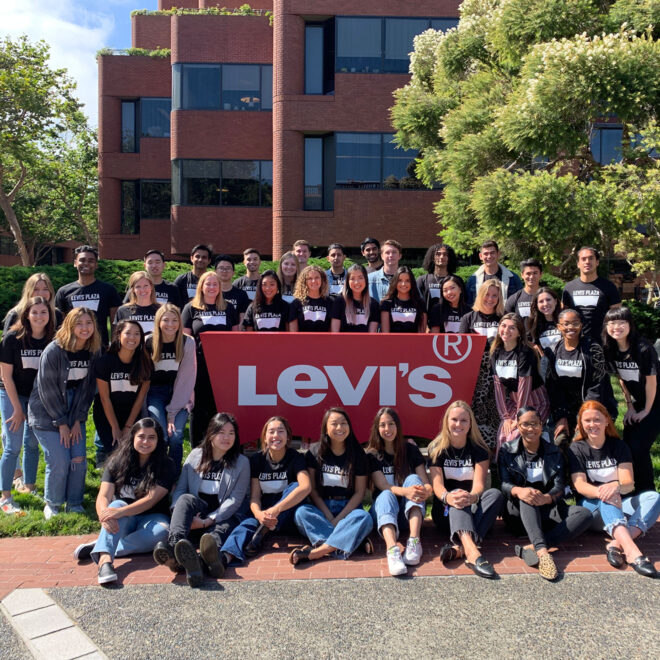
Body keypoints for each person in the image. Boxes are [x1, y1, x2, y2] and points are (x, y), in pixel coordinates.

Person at [73, 418, 176, 585]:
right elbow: (103, 496)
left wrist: (119, 513)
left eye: (152, 437)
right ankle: (105, 561)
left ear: (158, 440)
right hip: (123, 518)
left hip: (153, 518)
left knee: (163, 533)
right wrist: (104, 516)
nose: (146, 442)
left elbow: (150, 500)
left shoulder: (166, 465)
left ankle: (100, 547)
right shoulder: (117, 461)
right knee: (115, 504)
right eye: (141, 436)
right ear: (133, 437)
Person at [153, 413, 250, 587]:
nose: (227, 437)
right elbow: (181, 488)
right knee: (183, 499)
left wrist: (207, 521)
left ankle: (196, 561)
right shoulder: (195, 455)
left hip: (222, 514)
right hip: (197, 509)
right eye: (222, 432)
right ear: (211, 434)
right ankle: (174, 546)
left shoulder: (241, 462)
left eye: (231, 433)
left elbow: (234, 500)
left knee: (218, 533)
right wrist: (182, 515)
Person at [498, 407, 592, 580]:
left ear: (541, 426)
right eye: (525, 424)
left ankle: (534, 547)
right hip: (518, 514)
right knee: (528, 494)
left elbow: (560, 486)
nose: (530, 428)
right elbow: (503, 484)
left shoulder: (554, 452)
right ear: (518, 426)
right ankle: (543, 552)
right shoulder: (507, 450)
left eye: (534, 424)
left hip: (548, 509)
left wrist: (548, 498)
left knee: (585, 514)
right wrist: (519, 491)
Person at [569, 401, 660, 578]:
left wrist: (615, 487)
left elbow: (628, 483)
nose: (592, 424)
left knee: (653, 497)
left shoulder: (619, 446)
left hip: (619, 503)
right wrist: (604, 492)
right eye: (587, 420)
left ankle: (616, 544)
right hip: (591, 509)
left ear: (606, 421)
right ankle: (633, 553)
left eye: (597, 419)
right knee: (608, 497)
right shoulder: (576, 448)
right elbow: (580, 485)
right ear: (581, 423)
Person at [28, 308, 102, 519]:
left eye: (88, 323)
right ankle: (53, 503)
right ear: (69, 325)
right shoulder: (54, 350)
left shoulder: (94, 350)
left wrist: (78, 419)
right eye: (79, 323)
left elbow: (88, 389)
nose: (85, 328)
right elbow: (47, 389)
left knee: (78, 458)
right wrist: (62, 423)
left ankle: (75, 502)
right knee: (59, 459)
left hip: (75, 408)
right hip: (46, 410)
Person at [221, 416, 311, 564]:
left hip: (288, 514)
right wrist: (259, 514)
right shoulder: (257, 460)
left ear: (288, 436)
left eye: (280, 431)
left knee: (295, 487)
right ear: (264, 437)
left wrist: (276, 510)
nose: (276, 436)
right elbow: (255, 497)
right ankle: (225, 557)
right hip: (266, 512)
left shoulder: (296, 457)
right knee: (247, 524)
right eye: (271, 432)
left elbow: (306, 487)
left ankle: (263, 532)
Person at [428, 400, 503, 579]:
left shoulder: (480, 450)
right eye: (454, 419)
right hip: (445, 510)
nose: (458, 424)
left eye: (464, 421)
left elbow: (479, 485)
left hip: (472, 506)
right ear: (447, 422)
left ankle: (461, 548)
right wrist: (448, 497)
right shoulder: (437, 450)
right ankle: (473, 554)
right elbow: (437, 485)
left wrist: (472, 497)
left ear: (470, 424)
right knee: (456, 498)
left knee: (496, 494)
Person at [290, 408, 373, 565]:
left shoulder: (358, 454)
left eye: (343, 423)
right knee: (301, 513)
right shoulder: (314, 452)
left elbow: (360, 492)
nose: (340, 428)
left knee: (364, 517)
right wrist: (328, 516)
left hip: (348, 508)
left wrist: (340, 518)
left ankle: (317, 552)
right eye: (334, 424)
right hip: (322, 507)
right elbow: (312, 490)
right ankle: (351, 539)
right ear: (326, 428)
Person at [0, 297, 55, 512]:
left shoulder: (53, 338)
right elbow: (6, 377)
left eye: (44, 312)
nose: (39, 316)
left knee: (32, 443)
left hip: (37, 397)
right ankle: (5, 497)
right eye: (35, 312)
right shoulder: (12, 339)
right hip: (11, 393)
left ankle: (29, 488)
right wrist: (17, 409)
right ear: (26, 315)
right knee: (13, 446)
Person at [366, 408, 432, 576]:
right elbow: (383, 486)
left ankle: (414, 541)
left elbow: (426, 483)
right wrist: (407, 492)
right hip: (382, 515)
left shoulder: (410, 449)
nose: (387, 429)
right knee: (386, 494)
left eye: (391, 424)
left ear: (398, 426)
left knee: (413, 480)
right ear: (377, 429)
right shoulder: (372, 454)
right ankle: (392, 550)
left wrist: (425, 491)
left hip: (406, 516)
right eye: (382, 425)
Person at [602, 306, 659, 493]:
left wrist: (646, 411)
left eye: (621, 322)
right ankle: (632, 489)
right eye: (611, 322)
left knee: (639, 446)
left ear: (630, 325)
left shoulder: (643, 348)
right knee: (628, 445)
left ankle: (647, 490)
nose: (616, 327)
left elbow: (652, 382)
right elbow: (621, 377)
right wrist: (630, 407)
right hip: (638, 403)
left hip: (655, 401)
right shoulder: (611, 348)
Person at [546, 308, 617, 449]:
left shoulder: (593, 349)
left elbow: (596, 385)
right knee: (559, 441)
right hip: (566, 408)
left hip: (592, 404)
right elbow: (553, 386)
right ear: (558, 326)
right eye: (565, 324)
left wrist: (584, 417)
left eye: (575, 323)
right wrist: (561, 416)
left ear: (581, 325)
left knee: (582, 443)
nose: (570, 327)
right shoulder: (553, 350)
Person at [182, 271, 239, 447]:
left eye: (215, 284)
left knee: (219, 408)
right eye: (208, 284)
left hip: (223, 367)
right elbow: (185, 340)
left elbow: (236, 337)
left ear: (220, 287)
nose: (212, 287)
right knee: (198, 409)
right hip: (198, 365)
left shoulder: (228, 308)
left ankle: (219, 447)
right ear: (201, 286)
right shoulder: (190, 308)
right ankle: (197, 450)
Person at [93, 320, 153, 467]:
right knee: (115, 451)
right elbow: (104, 398)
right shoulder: (105, 362)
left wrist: (127, 427)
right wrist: (114, 427)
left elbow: (140, 399)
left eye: (137, 334)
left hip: (130, 414)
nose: (132, 338)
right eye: (128, 333)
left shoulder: (145, 363)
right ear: (119, 335)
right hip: (106, 414)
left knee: (130, 453)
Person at [146, 304, 196, 476]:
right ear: (158, 321)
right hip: (155, 393)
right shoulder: (148, 341)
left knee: (175, 438)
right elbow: (144, 378)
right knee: (161, 436)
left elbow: (185, 378)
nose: (170, 324)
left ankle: (173, 477)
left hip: (180, 393)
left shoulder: (187, 342)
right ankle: (156, 473)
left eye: (175, 320)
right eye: (166, 320)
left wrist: (172, 412)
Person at [489, 313, 549, 452]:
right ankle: (502, 472)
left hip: (535, 400)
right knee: (503, 435)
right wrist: (505, 417)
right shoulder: (496, 352)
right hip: (515, 401)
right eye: (503, 326)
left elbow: (524, 386)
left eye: (512, 328)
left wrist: (519, 417)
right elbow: (498, 387)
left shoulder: (524, 352)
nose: (506, 330)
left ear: (519, 333)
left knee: (516, 434)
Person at [459, 279, 504, 448]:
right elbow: (462, 348)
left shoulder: (503, 317)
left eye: (495, 296)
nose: (490, 299)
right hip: (473, 375)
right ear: (480, 295)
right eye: (487, 294)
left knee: (495, 413)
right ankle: (471, 447)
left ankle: (494, 450)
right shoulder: (468, 318)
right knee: (474, 411)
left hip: (496, 374)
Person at [55, 245, 121, 346]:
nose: (86, 263)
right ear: (75, 263)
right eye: (82, 260)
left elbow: (115, 323)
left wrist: (113, 346)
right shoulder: (64, 291)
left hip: (100, 348)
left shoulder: (108, 290)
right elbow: (61, 324)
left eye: (91, 261)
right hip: (72, 348)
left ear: (96, 264)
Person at [561, 246, 621, 343]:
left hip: (603, 342)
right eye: (583, 259)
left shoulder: (609, 286)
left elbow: (618, 316)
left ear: (597, 262)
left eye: (591, 258)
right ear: (578, 264)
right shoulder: (569, 288)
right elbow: (563, 316)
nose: (587, 262)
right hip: (576, 342)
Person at [465, 240, 522, 307]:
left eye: (492, 253)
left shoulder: (513, 278)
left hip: (504, 316)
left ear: (498, 254)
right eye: (486, 254)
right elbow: (468, 305)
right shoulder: (473, 280)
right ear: (481, 256)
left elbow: (519, 304)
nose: (489, 256)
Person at [330, 264, 379, 333]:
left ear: (366, 280)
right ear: (347, 282)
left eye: (360, 278)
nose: (356, 282)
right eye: (352, 278)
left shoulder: (373, 304)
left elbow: (372, 333)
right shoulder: (339, 301)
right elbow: (334, 333)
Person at [379, 266, 427, 333]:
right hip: (391, 342)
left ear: (412, 282)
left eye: (407, 281)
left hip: (414, 343)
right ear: (395, 282)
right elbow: (385, 333)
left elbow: (422, 331)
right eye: (400, 280)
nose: (403, 284)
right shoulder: (387, 303)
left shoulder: (420, 303)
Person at [416, 243, 461, 312]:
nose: (441, 257)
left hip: (450, 321)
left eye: (445, 254)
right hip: (428, 321)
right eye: (438, 254)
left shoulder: (457, 281)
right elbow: (416, 303)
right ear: (432, 257)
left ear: (449, 258)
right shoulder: (422, 280)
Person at [288, 266, 333, 332]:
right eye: (309, 278)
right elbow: (293, 333)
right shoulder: (296, 303)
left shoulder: (330, 302)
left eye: (317, 277)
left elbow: (332, 330)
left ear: (322, 279)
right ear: (304, 282)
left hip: (324, 341)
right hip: (303, 341)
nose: (313, 281)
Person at [505, 258, 543, 326]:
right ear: (522, 275)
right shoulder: (514, 299)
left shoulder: (549, 297)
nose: (531, 277)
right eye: (528, 273)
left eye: (535, 273)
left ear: (541, 274)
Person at [214, 255, 250, 326]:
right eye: (221, 268)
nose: (224, 271)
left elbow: (242, 319)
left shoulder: (241, 294)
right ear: (215, 271)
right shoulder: (211, 293)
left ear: (233, 272)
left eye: (228, 268)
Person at [528, 287, 562, 357]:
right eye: (541, 301)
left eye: (548, 300)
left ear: (555, 301)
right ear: (537, 305)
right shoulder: (534, 324)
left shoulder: (565, 321)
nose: (545, 304)